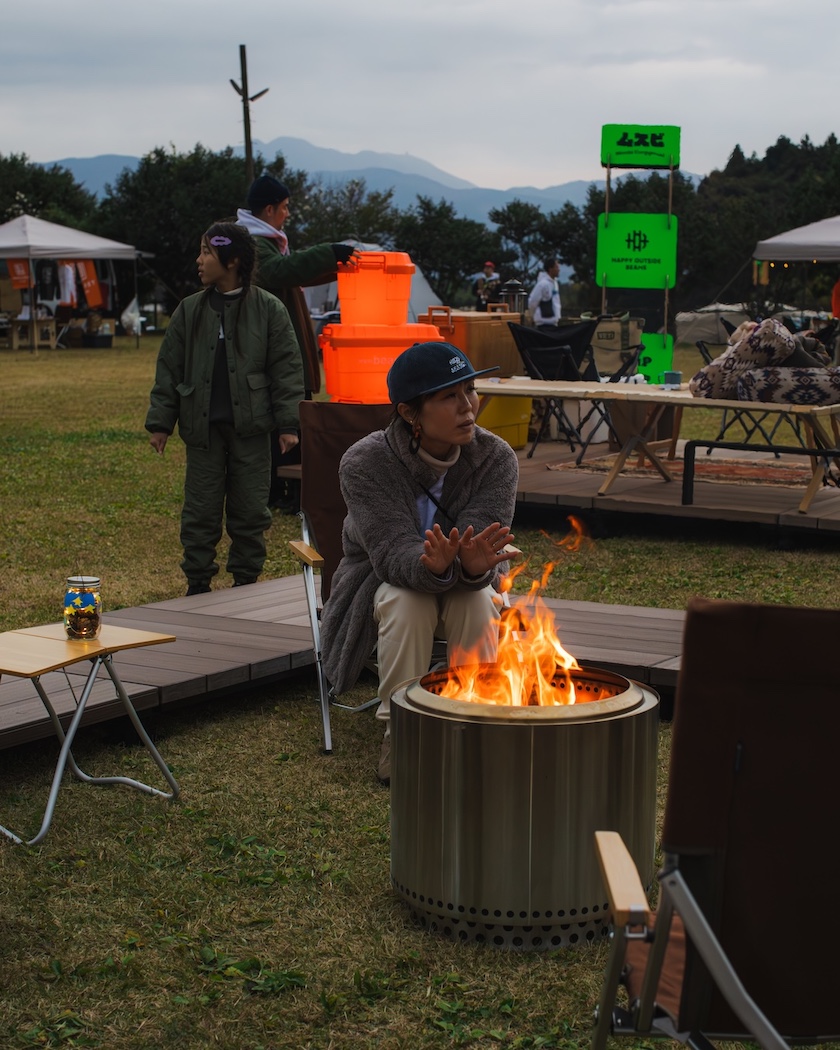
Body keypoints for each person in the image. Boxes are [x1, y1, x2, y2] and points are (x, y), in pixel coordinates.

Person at [319, 341, 519, 784]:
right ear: (410, 413)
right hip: (381, 579)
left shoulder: (495, 458)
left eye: (470, 390)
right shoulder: (366, 461)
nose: (468, 406)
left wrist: (469, 566)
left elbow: (478, 542)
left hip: (470, 582)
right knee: (407, 601)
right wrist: (431, 565)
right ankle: (403, 732)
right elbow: (390, 553)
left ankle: (471, 722)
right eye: (449, 396)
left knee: (475, 602)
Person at [145, 220, 304, 595]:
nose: (199, 261)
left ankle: (245, 583)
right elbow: (169, 368)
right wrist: (161, 423)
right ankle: (197, 583)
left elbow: (287, 369)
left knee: (250, 510)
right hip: (202, 433)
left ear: (232, 261)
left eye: (206, 253)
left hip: (252, 431)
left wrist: (288, 425)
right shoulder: (189, 311)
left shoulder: (269, 310)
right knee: (200, 510)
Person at [236, 175, 359, 510]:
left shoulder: (267, 241)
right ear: (270, 208)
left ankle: (291, 491)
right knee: (284, 419)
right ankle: (279, 491)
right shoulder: (252, 244)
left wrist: (336, 265)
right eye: (285, 208)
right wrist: (328, 253)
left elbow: (292, 271)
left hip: (282, 348)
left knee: (295, 414)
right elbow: (279, 272)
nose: (287, 214)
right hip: (273, 352)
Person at [528, 257, 562, 331]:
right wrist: (533, 315)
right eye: (556, 267)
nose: (559, 269)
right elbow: (533, 302)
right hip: (543, 324)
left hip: (553, 323)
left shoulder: (555, 283)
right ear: (550, 269)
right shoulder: (543, 284)